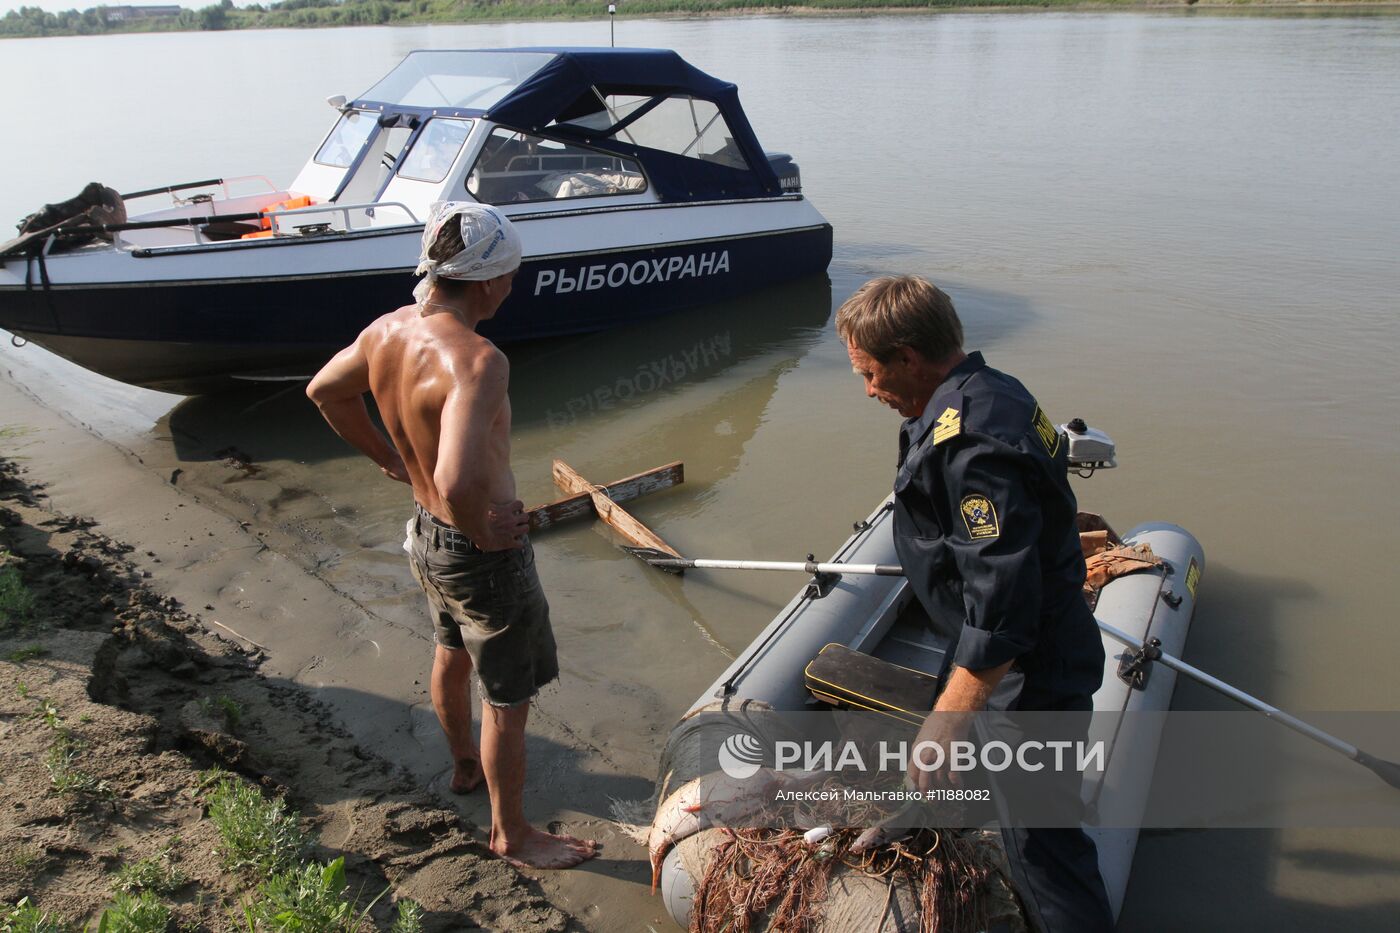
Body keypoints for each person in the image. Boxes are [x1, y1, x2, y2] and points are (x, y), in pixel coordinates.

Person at [306, 202, 598, 870]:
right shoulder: (479, 360)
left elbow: (324, 390)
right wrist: (485, 531)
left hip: (425, 536)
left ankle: (464, 766)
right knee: (508, 700)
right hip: (476, 553)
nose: (512, 288)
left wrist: (385, 456)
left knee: (449, 651)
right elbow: (459, 475)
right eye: (512, 276)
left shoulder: (387, 331)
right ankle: (514, 833)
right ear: (490, 281)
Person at [836, 275, 1113, 932]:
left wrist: (948, 721)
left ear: (908, 357)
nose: (869, 389)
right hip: (990, 647)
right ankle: (934, 814)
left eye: (871, 373)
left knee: (1045, 848)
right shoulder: (992, 391)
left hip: (1029, 676)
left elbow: (1005, 605)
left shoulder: (972, 442)